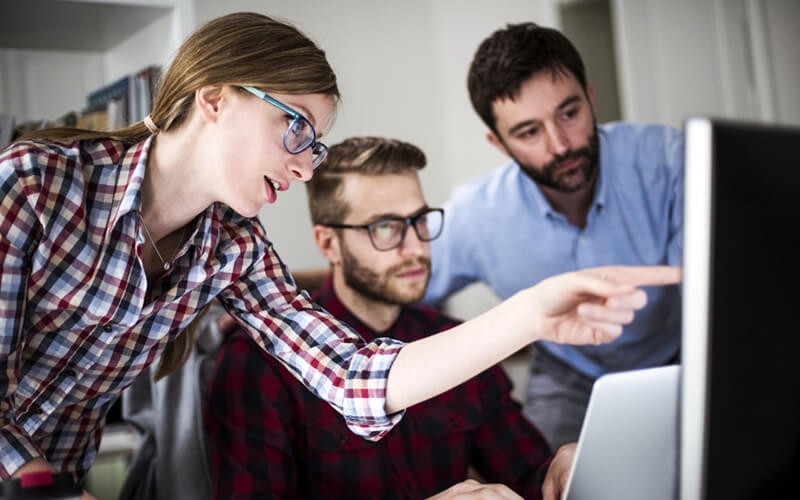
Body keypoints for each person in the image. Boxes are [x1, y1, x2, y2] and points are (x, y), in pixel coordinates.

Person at [0, 10, 679, 497]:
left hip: (60, 474)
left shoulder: (232, 248)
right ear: (213, 97)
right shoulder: (36, 181)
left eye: (314, 145)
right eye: (294, 127)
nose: (303, 168)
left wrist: (531, 313)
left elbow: (353, 374)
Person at [206, 136, 557, 499]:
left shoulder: (456, 343)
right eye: (385, 228)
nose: (416, 248)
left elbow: (528, 471)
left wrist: (560, 467)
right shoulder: (260, 361)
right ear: (328, 244)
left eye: (419, 221)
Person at [423, 21, 684, 450]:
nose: (561, 145)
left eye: (570, 113)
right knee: (542, 476)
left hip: (677, 355)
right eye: (529, 132)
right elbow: (399, 281)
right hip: (567, 374)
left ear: (591, 96)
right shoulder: (477, 213)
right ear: (499, 143)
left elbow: (720, 288)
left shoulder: (669, 160)